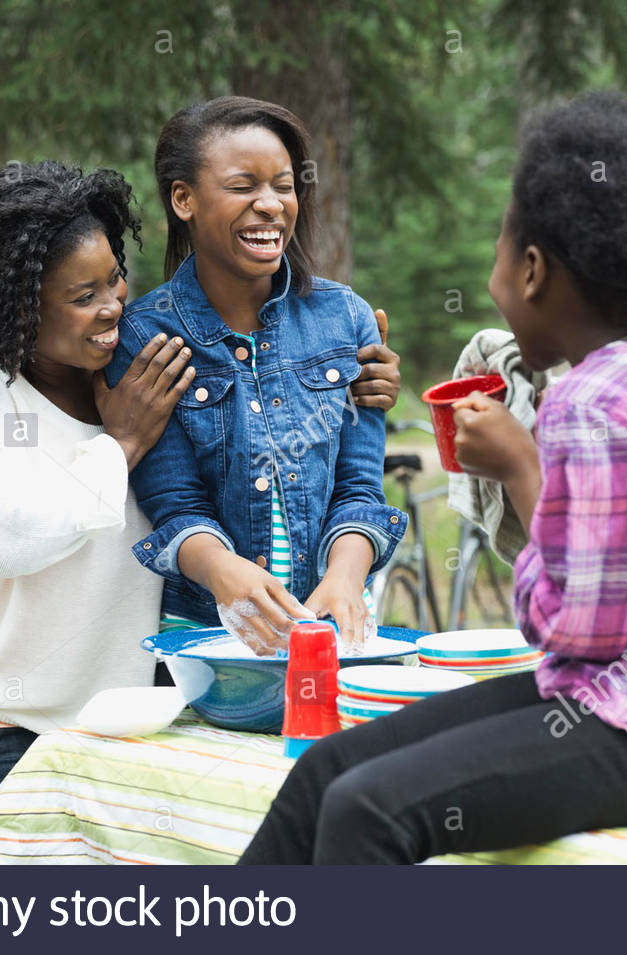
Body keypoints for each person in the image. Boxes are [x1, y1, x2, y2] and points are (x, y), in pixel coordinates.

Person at [238, 91, 627, 865]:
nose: (495, 267)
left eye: (501, 243)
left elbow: (581, 629)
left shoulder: (593, 406)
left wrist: (521, 466)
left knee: (365, 808)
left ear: (532, 269)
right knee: (325, 769)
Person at [0, 160, 401, 861]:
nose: (112, 306)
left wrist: (353, 376)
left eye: (114, 280)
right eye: (82, 296)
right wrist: (121, 440)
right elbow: (12, 535)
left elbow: (249, 449)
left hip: (119, 717)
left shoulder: (138, 360)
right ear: (19, 305)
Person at [105, 97, 408, 656]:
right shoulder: (145, 337)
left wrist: (343, 578)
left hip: (334, 630)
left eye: (284, 186)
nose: (270, 205)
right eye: (243, 186)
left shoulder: (346, 319)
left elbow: (360, 488)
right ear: (184, 199)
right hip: (207, 638)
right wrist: (224, 572)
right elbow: (174, 506)